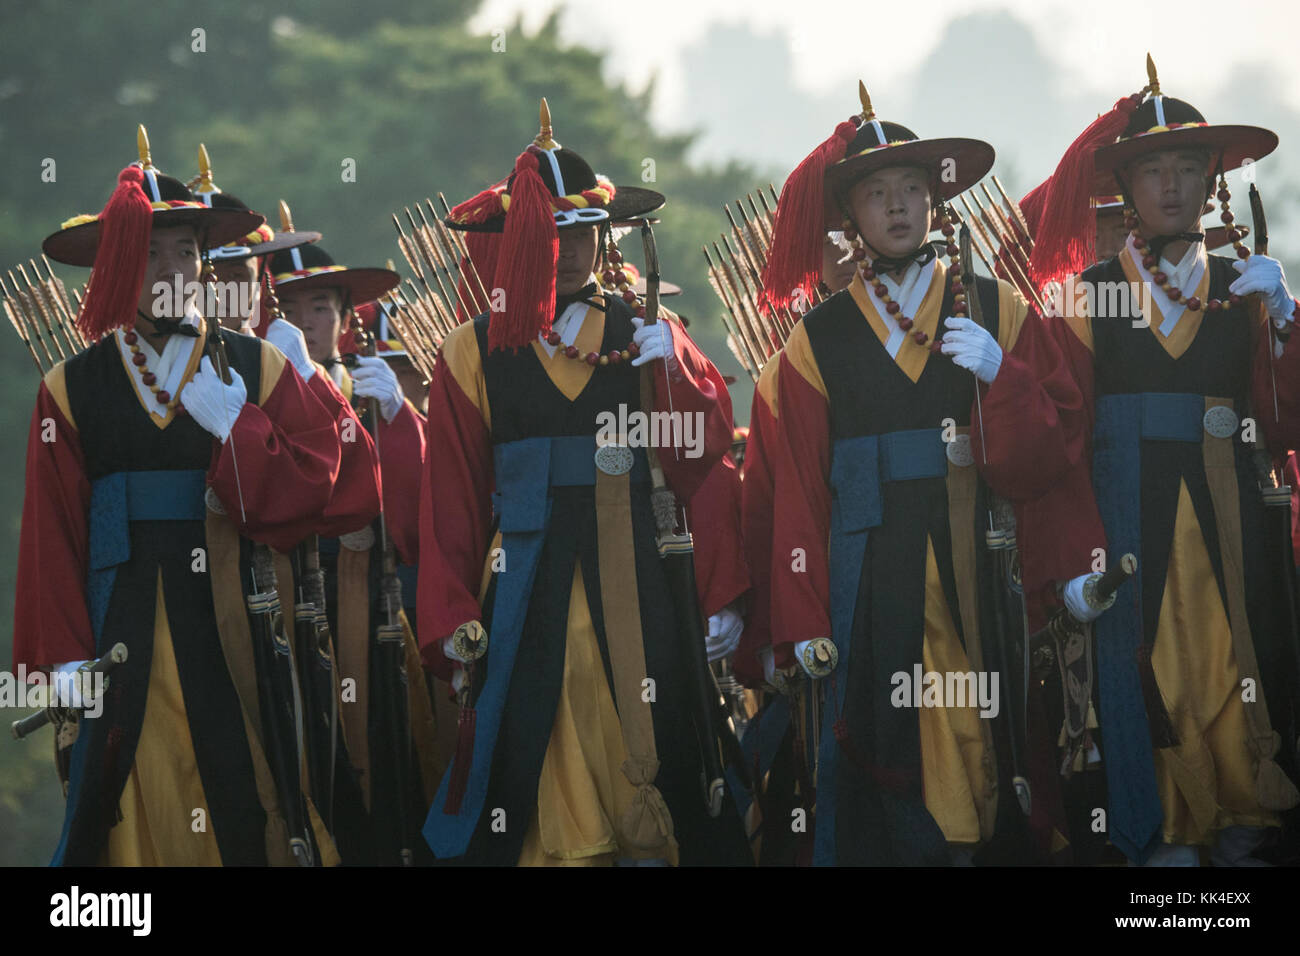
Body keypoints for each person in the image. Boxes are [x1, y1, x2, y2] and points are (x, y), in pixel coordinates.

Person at [756, 82, 1091, 865]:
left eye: (912, 189)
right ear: (851, 217)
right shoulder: (817, 339)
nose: (898, 208)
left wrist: (1004, 376)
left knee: (988, 740)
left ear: (938, 202)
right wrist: (802, 616)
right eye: (877, 194)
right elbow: (799, 488)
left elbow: (1055, 452)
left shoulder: (998, 308)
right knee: (885, 739)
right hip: (869, 578)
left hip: (978, 563)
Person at [419, 99, 749, 865]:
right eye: (549, 234)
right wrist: (450, 613)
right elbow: (454, 498)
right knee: (535, 728)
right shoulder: (472, 350)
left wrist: (681, 365)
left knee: (658, 729)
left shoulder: (642, 334)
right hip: (523, 576)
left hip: (636, 564)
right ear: (514, 241)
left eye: (582, 233)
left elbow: (702, 455)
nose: (567, 251)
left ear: (604, 236)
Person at [16, 134, 345, 865]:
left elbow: (326, 487)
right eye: (151, 255)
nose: (171, 272)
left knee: (244, 783)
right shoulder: (70, 388)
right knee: (130, 794)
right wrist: (61, 660)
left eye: (186, 254)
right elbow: (51, 537)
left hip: (232, 616)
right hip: (119, 623)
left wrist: (241, 430)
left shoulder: (253, 368)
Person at [1028, 59, 1300, 865]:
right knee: (1152, 661)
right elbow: (1060, 440)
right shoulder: (1086, 297)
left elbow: (1282, 421)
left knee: (1229, 652)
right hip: (1125, 512)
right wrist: (1072, 559)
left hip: (1233, 518)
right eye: (1154, 171)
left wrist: (1287, 325)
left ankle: (1248, 808)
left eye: (1188, 169)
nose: (1172, 187)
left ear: (1212, 181)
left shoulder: (1246, 290)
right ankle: (1165, 823)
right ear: (1128, 188)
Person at [271, 240, 438, 864]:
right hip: (291, 591)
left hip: (370, 598)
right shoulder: (262, 385)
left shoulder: (371, 388)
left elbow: (418, 510)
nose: (306, 321)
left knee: (389, 743)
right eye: (289, 306)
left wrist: (398, 418)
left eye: (320, 305)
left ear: (347, 316)